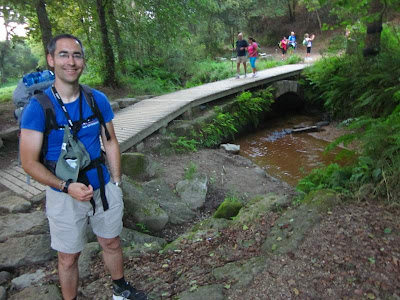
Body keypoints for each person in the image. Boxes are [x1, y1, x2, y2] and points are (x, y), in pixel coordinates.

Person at [19, 34, 148, 300]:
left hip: (102, 186)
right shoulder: (38, 108)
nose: (71, 61)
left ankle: (121, 289)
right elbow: (28, 162)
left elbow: (110, 142)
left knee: (111, 241)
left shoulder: (96, 99)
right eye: (64, 55)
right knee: (68, 257)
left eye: (77, 55)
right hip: (63, 193)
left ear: (83, 62)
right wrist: (66, 186)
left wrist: (116, 182)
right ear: (51, 60)